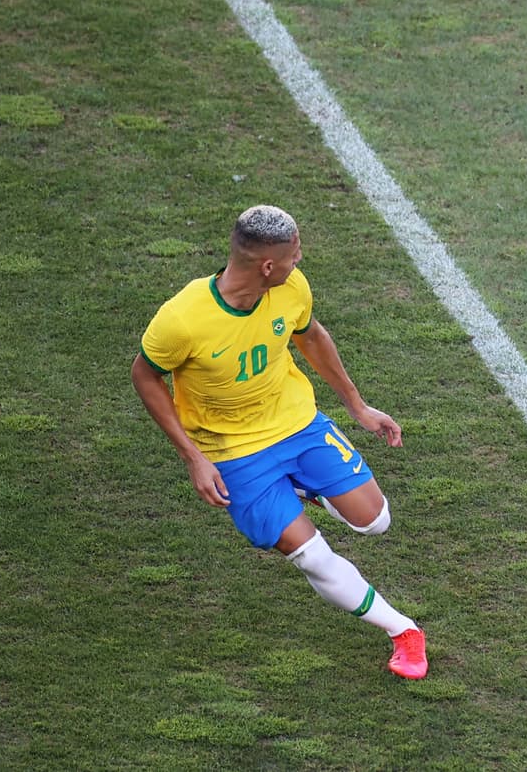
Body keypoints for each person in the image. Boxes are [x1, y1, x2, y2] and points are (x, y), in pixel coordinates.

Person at [131, 204, 427, 679]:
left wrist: (357, 406)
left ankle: (301, 487)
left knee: (375, 523)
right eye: (294, 253)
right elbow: (145, 376)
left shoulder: (291, 288)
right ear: (267, 265)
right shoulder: (183, 318)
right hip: (234, 453)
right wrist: (193, 456)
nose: (300, 259)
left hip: (296, 424)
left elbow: (310, 336)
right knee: (311, 555)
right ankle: (404, 632)